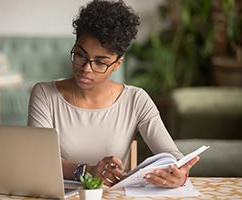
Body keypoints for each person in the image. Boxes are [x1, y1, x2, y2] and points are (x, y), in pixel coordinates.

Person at [27, 0, 199, 188]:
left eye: (100, 63)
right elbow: (38, 160)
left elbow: (173, 156)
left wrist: (179, 175)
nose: (86, 68)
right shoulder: (44, 94)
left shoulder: (136, 100)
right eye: (80, 55)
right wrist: (87, 171)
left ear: (117, 64)